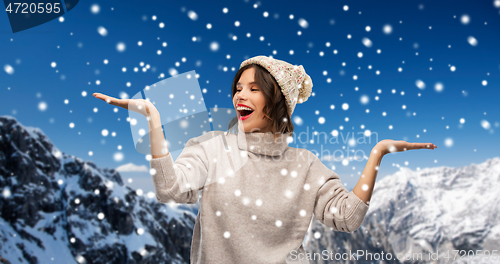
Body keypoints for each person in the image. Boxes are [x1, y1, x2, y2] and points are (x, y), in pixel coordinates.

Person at [93, 55, 437, 264]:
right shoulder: (212, 148)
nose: (240, 94)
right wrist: (153, 119)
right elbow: (170, 189)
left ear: (278, 103)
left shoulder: (306, 165)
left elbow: (347, 218)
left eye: (254, 89)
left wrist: (377, 154)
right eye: (238, 87)